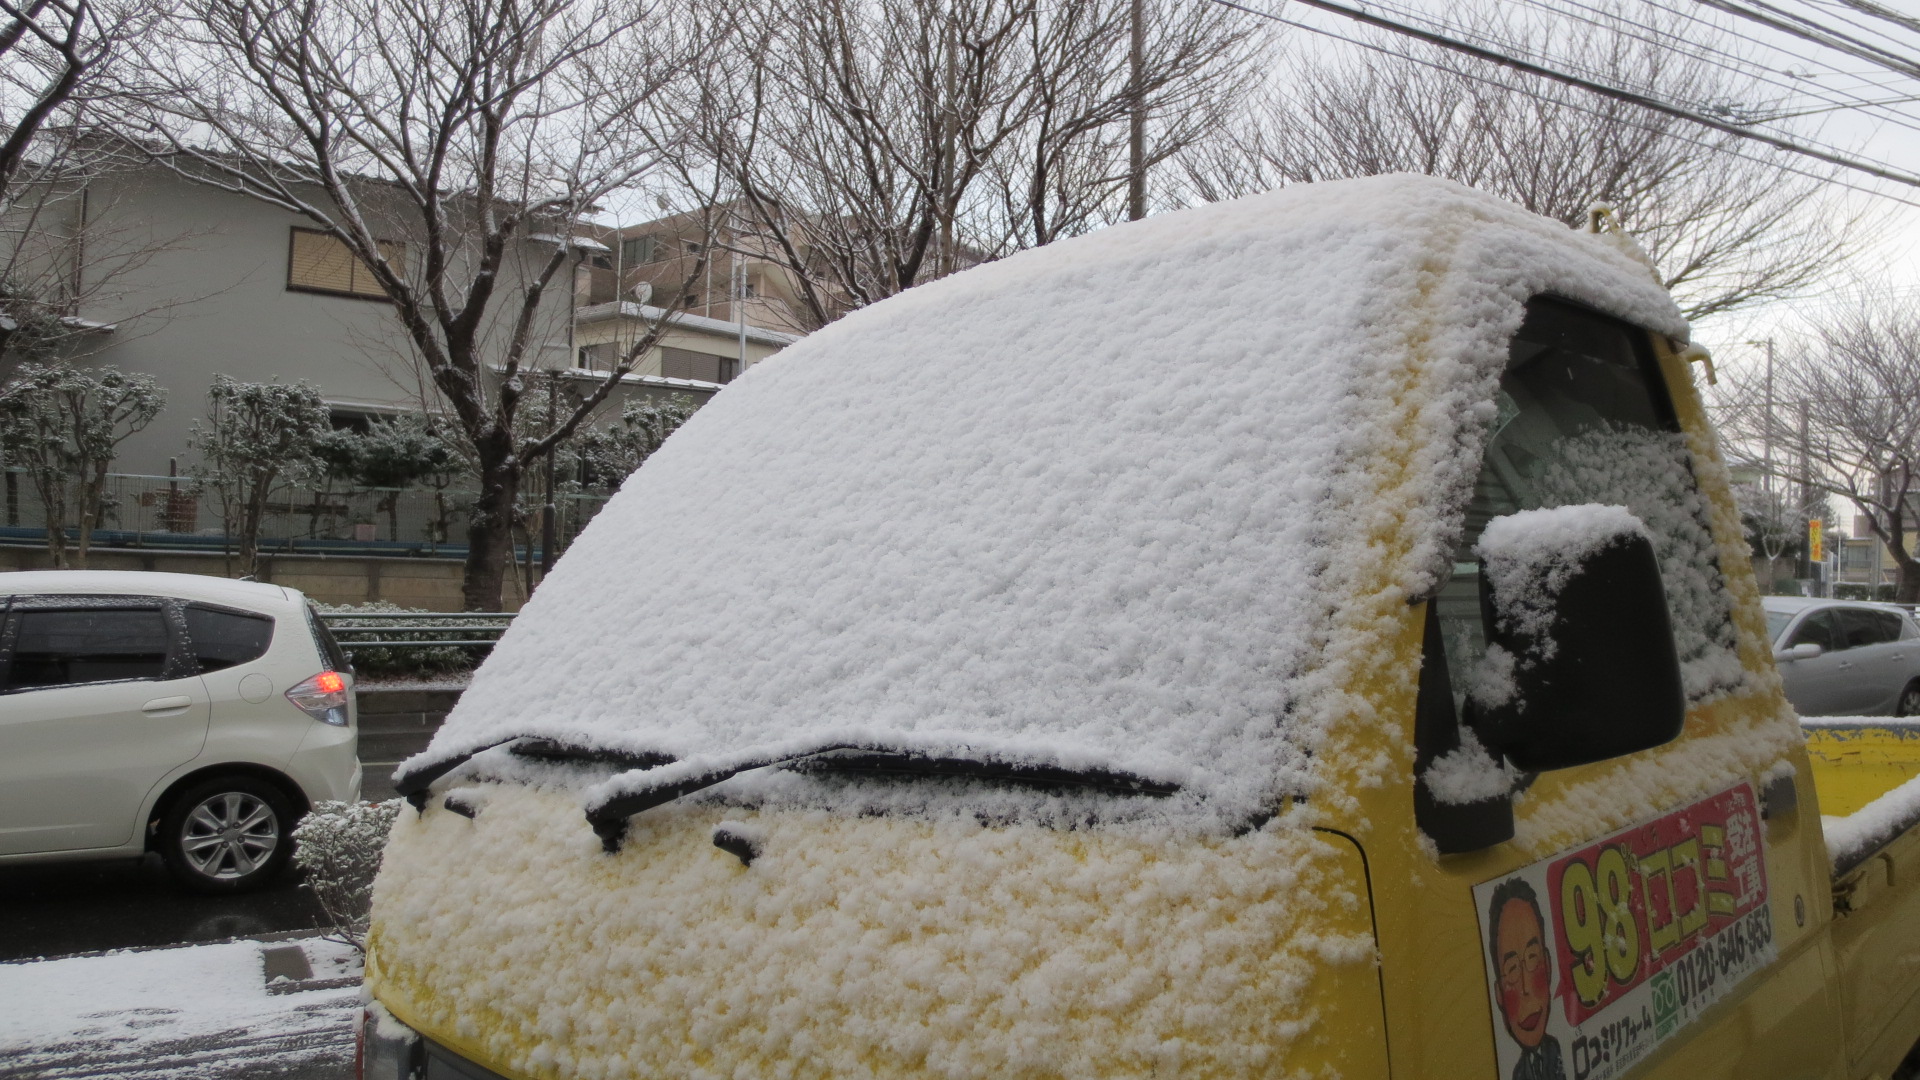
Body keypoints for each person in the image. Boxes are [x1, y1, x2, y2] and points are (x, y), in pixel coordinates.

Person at [1488, 878, 1566, 1080]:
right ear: (1499, 994)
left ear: (1548, 966)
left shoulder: (1563, 1052)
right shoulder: (1517, 1073)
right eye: (1511, 969)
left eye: (1533, 957)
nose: (1525, 987)